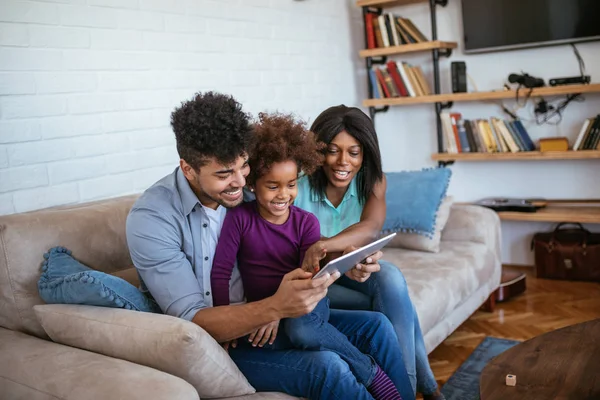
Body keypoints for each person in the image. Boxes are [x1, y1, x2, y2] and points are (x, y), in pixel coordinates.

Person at [126, 92, 416, 400]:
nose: (239, 182)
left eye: (244, 166)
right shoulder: (153, 219)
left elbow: (295, 253)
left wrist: (349, 261)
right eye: (225, 174)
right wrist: (274, 307)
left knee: (378, 328)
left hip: (275, 318)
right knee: (328, 366)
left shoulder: (249, 195)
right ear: (187, 169)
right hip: (226, 342)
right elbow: (194, 321)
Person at [210, 112, 411, 400]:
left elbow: (311, 271)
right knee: (313, 326)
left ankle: (379, 379)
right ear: (253, 184)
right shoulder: (239, 219)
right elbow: (220, 272)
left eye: (291, 185)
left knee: (303, 326)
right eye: (272, 186)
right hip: (268, 306)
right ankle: (368, 369)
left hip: (309, 302)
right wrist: (231, 320)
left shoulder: (306, 222)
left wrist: (346, 262)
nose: (283, 195)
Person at [294, 105, 445, 400]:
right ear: (317, 151)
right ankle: (425, 387)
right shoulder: (296, 186)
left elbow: (371, 227)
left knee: (390, 277)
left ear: (366, 153)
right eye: (332, 150)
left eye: (354, 152)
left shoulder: (373, 180)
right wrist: (332, 250)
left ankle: (409, 389)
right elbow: (296, 247)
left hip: (347, 269)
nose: (343, 162)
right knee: (400, 303)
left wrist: (330, 246)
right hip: (315, 279)